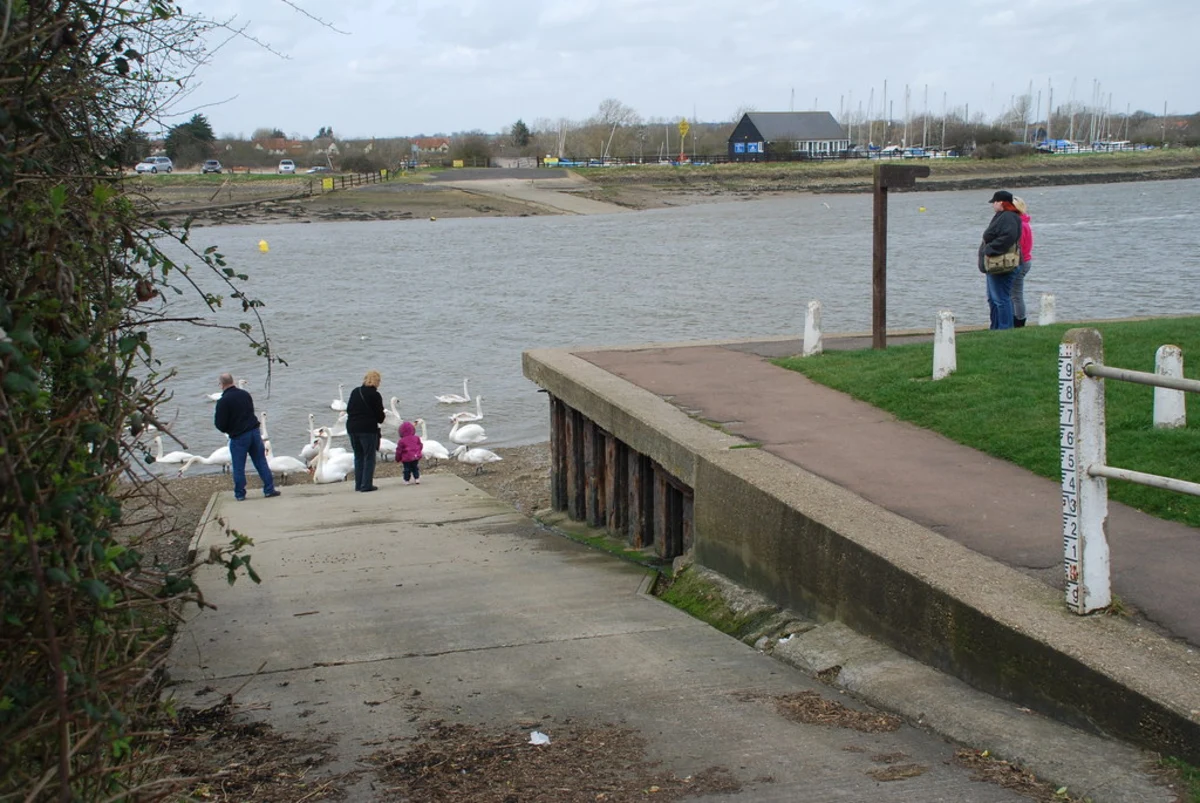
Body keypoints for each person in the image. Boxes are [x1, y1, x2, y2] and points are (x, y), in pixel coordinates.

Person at [212, 373, 280, 501]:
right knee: (261, 461)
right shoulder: (245, 394)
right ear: (233, 381)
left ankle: (240, 494)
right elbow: (250, 411)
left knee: (238, 466)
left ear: (221, 384)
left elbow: (219, 423)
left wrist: (229, 430)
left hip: (238, 436)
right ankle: (269, 489)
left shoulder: (223, 401)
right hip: (254, 431)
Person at [977, 189, 1023, 330]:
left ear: (1001, 202)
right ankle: (996, 327)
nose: (993, 205)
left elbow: (1008, 237)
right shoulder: (1003, 216)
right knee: (994, 299)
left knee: (1001, 299)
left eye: (994, 202)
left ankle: (1004, 328)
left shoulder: (1008, 217)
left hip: (1001, 265)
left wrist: (990, 250)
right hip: (993, 265)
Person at [345, 369, 386, 492]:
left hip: (352, 427)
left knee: (358, 456)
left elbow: (349, 410)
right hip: (367, 429)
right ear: (377, 382)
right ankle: (366, 484)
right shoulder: (375, 395)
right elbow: (380, 417)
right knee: (369, 457)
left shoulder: (355, 392)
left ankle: (358, 484)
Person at [1011, 196, 1035, 328]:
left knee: (1016, 295)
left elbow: (1019, 245)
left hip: (1021, 262)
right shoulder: (1024, 223)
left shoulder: (1020, 225)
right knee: (1015, 294)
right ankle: (1017, 319)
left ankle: (1019, 321)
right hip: (1025, 260)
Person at [395, 420, 424, 485]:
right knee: (415, 467)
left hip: (406, 458)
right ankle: (417, 478)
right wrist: (418, 452)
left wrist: (397, 458)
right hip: (415, 456)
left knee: (407, 469)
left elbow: (399, 450)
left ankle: (406, 480)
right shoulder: (417, 438)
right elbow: (420, 446)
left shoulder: (401, 441)